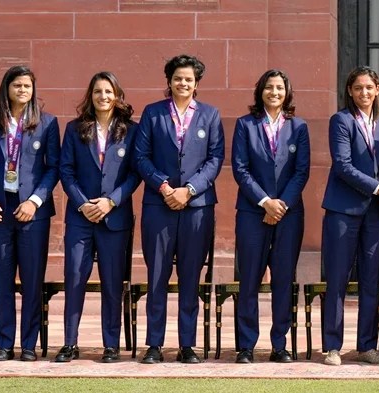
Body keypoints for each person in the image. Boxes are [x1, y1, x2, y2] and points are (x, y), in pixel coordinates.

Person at [134, 54, 224, 364]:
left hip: (197, 207)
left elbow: (215, 160)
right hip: (158, 205)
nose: (182, 83)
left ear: (197, 82)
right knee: (157, 275)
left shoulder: (210, 115)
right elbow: (141, 157)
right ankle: (154, 345)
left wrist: (189, 190)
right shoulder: (153, 113)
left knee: (190, 277)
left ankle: (188, 344)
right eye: (177, 78)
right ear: (169, 81)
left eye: (188, 79)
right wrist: (165, 187)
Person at [54, 72, 141, 363]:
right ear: (90, 96)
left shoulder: (131, 130)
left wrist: (111, 201)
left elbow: (134, 174)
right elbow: (65, 171)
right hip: (80, 218)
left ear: (117, 96)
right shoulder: (75, 129)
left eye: (108, 91)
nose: (103, 97)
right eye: (97, 92)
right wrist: (82, 203)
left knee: (112, 282)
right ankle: (69, 342)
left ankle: (111, 345)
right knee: (75, 278)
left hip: (114, 219)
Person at [320, 66, 379, 366]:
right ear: (350, 91)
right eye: (358, 88)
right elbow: (342, 165)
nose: (364, 93)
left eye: (369, 87)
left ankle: (366, 346)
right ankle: (332, 346)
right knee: (338, 279)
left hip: (375, 213)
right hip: (343, 211)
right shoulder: (340, 121)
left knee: (370, 279)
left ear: (377, 89)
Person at [0, 65, 60, 361]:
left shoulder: (48, 123)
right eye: (17, 85)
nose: (22, 90)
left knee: (32, 279)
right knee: (2, 279)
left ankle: (28, 345)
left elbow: (53, 169)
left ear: (33, 89)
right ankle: (4, 344)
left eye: (27, 86)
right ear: (7, 88)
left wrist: (35, 200)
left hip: (32, 214)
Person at [232, 69, 310, 364]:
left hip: (289, 216)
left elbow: (301, 171)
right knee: (249, 279)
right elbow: (240, 169)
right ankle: (246, 346)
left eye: (279, 88)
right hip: (253, 213)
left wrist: (282, 205)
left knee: (283, 280)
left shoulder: (299, 127)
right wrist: (266, 202)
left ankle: (280, 345)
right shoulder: (245, 125)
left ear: (287, 92)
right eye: (269, 87)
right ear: (260, 91)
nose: (274, 92)